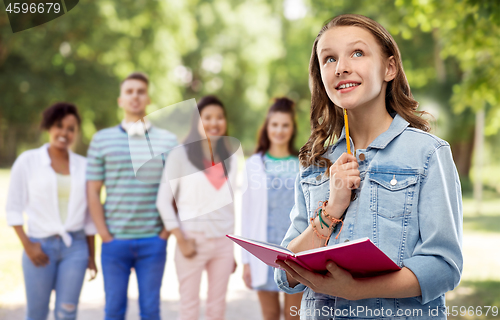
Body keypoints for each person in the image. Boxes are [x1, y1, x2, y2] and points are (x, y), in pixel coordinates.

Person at [274, 14, 463, 320]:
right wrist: (332, 209)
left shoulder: (428, 154)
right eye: (329, 59)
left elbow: (444, 267)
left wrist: (358, 290)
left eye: (357, 53)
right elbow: (286, 275)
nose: (341, 67)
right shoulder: (313, 164)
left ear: (389, 68)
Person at [86, 72, 177, 320]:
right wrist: (104, 235)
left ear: (148, 98)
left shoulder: (168, 140)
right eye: (129, 91)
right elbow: (92, 191)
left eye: (140, 91)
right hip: (114, 242)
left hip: (153, 241)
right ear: (120, 100)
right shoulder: (101, 140)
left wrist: (164, 234)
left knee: (150, 310)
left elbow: (177, 191)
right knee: (113, 311)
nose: (135, 96)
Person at [6, 102, 97, 320]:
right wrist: (28, 245)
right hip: (40, 247)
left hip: (75, 248)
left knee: (67, 313)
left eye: (71, 128)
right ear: (49, 127)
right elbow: (13, 207)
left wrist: (92, 256)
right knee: (36, 314)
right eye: (59, 126)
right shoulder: (28, 161)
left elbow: (88, 217)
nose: (64, 132)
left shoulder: (84, 166)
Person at [156, 95, 238, 320]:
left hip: (223, 244)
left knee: (217, 308)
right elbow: (163, 201)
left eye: (219, 117)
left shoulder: (230, 158)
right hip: (191, 240)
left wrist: (231, 248)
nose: (214, 123)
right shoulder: (179, 155)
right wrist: (180, 240)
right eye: (207, 118)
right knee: (189, 308)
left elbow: (229, 207)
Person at [241, 97, 302, 320]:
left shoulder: (302, 163)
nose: (279, 130)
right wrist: (246, 261)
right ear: (267, 127)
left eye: (285, 125)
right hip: (263, 253)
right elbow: (246, 215)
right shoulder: (253, 165)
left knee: (293, 315)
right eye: (274, 125)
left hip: (295, 253)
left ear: (292, 128)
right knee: (270, 315)